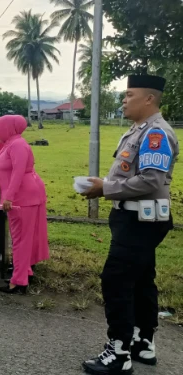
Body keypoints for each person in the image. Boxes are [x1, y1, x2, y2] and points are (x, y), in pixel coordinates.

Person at [80, 75, 178, 375]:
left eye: (129, 94)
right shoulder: (138, 130)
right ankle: (142, 343)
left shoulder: (155, 133)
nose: (124, 100)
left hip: (140, 219)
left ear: (149, 99)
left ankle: (118, 353)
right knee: (140, 279)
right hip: (136, 216)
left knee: (117, 280)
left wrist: (104, 188)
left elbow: (151, 180)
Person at [0, 115, 49, 295]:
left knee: (20, 240)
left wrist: (9, 197)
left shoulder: (18, 146)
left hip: (24, 197)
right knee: (22, 239)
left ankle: (19, 281)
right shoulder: (9, 145)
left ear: (4, 130)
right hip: (22, 195)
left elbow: (18, 173)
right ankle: (25, 272)